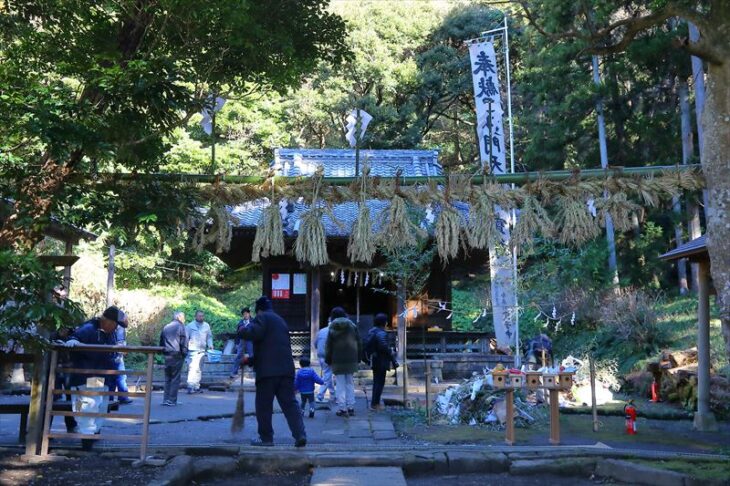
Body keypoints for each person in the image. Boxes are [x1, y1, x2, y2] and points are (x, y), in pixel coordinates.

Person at [238, 296, 306, 447]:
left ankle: (266, 438)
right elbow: (271, 348)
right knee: (290, 404)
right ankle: (300, 434)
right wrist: (249, 361)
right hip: (286, 370)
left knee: (264, 406)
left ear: (259, 310)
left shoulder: (262, 317)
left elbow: (255, 333)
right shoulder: (281, 321)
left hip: (268, 373)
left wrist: (242, 330)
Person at [63, 305, 121, 448]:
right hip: (89, 375)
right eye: (114, 324)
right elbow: (74, 337)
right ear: (107, 321)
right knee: (88, 404)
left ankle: (89, 433)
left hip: (98, 374)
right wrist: (74, 341)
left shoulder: (106, 332)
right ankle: (87, 436)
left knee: (96, 404)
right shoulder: (89, 329)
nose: (115, 327)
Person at [325, 307, 361, 417]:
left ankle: (342, 408)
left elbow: (328, 345)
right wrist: (358, 357)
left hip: (337, 359)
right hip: (351, 358)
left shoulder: (331, 327)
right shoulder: (352, 326)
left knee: (340, 384)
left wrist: (328, 359)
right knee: (350, 382)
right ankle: (351, 406)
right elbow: (359, 342)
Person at [364, 313, 397, 411]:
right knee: (380, 382)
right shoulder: (382, 333)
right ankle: (375, 403)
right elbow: (383, 346)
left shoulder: (372, 331)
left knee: (376, 382)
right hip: (381, 360)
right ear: (384, 323)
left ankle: (374, 402)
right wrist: (391, 351)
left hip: (374, 359)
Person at [160, 311, 188, 406]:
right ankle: (172, 400)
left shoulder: (166, 326)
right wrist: (184, 353)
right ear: (179, 317)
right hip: (177, 354)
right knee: (175, 378)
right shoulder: (181, 327)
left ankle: (166, 399)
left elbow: (161, 341)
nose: (184, 319)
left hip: (167, 354)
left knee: (167, 378)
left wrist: (163, 352)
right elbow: (184, 341)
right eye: (183, 317)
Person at [185, 310, 214, 394]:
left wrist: (210, 345)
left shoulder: (206, 326)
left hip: (202, 350)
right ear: (195, 316)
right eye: (199, 316)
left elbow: (209, 337)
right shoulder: (190, 326)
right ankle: (190, 386)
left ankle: (197, 386)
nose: (201, 317)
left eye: (202, 316)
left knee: (199, 369)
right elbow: (186, 338)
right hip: (192, 349)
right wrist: (185, 348)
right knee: (192, 368)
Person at [107, 311, 133, 405]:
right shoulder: (120, 327)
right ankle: (122, 397)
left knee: (112, 377)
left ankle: (110, 398)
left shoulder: (111, 325)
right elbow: (120, 341)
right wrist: (122, 351)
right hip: (117, 354)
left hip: (111, 353)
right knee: (120, 376)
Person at [229, 307, 254, 379]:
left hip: (250, 340)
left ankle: (254, 371)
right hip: (242, 340)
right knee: (239, 355)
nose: (245, 315)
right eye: (244, 314)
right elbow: (237, 333)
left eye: (247, 313)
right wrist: (237, 343)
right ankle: (234, 372)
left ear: (249, 314)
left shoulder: (254, 321)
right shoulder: (240, 322)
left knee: (252, 355)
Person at [315, 321, 335, 403]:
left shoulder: (321, 331)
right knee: (327, 375)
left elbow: (315, 343)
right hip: (328, 356)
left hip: (320, 355)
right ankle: (320, 396)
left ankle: (333, 394)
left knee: (328, 374)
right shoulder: (333, 332)